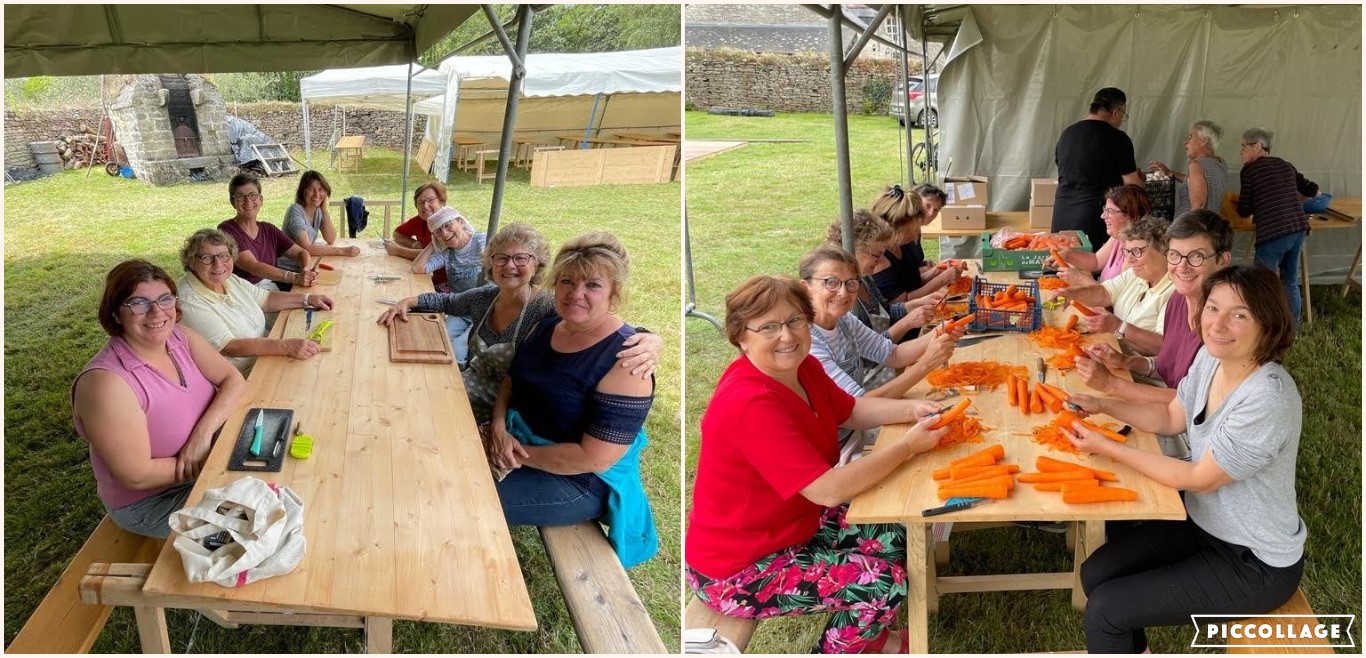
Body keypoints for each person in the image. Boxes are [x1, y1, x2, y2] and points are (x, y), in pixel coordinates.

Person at [687, 274, 953, 654]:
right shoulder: (750, 404)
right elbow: (829, 490)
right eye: (769, 327)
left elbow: (854, 410)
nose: (787, 335)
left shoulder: (804, 368)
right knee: (883, 583)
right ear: (740, 336)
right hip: (737, 567)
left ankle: (870, 634)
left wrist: (913, 409)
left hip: (791, 526)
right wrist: (908, 447)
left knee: (895, 533)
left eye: (795, 320)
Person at [1064, 264, 1304, 654]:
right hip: (1203, 524)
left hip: (1253, 561)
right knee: (1096, 574)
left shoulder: (1267, 399)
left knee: (1106, 611)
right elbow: (1172, 416)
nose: (1218, 324)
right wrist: (1099, 404)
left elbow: (1198, 478)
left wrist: (1107, 447)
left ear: (1269, 325)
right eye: (1213, 308)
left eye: (1239, 314)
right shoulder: (1212, 360)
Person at [485, 232, 658, 568]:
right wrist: (497, 428)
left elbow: (594, 458)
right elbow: (510, 382)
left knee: (465, 495)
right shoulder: (546, 326)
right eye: (566, 281)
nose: (575, 294)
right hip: (517, 441)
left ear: (614, 292)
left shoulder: (628, 362)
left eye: (592, 285)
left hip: (577, 482)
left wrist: (515, 454)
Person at [376, 222, 661, 424]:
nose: (509, 266)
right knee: (407, 397)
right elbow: (447, 302)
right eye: (501, 258)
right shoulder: (486, 297)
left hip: (511, 409)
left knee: (422, 415)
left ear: (537, 265)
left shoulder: (550, 305)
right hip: (468, 385)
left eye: (520, 258)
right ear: (490, 264)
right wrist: (409, 302)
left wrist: (648, 338)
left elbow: (599, 323)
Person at [72, 260, 247, 538]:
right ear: (116, 313)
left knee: (282, 482)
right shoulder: (106, 384)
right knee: (255, 528)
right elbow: (136, 475)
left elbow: (233, 380)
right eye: (138, 303)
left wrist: (202, 436)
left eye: (165, 298)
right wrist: (220, 460)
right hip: (154, 501)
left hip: (209, 462)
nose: (156, 311)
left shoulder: (179, 337)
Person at [1075, 210, 1234, 457]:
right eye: (1175, 255)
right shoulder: (1178, 302)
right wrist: (1126, 361)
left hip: (1196, 443)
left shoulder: (1222, 329)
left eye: (1196, 256)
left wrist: (1111, 385)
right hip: (1165, 417)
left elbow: (1187, 404)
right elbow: (1166, 366)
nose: (1181, 266)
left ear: (1223, 261)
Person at [800, 245, 959, 463]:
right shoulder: (807, 344)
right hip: (835, 450)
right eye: (831, 282)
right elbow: (859, 405)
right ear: (805, 287)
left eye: (851, 283)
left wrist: (941, 332)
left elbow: (892, 354)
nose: (843, 292)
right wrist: (926, 365)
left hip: (856, 432)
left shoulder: (845, 321)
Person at [177, 228, 336, 376]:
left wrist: (308, 299)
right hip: (244, 374)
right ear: (191, 262)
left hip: (266, 355)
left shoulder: (228, 279)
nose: (218, 264)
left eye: (224, 255)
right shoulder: (189, 300)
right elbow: (229, 347)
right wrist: (285, 346)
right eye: (206, 258)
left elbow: (266, 299)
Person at [1235, 128, 1319, 323]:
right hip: (1298, 228)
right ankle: (1292, 326)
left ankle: (1263, 325)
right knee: (1289, 279)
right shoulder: (1285, 164)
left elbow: (1244, 210)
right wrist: (1297, 200)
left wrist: (1243, 203)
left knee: (1261, 281)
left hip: (1273, 233)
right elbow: (1313, 190)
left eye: (1243, 146)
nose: (1241, 152)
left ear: (1257, 147)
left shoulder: (1249, 170)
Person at [1052, 87, 1144, 250]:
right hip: (1095, 217)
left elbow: (1065, 168)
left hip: (1061, 213)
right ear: (1116, 112)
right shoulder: (1118, 139)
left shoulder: (1068, 134)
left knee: (1061, 264)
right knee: (1092, 270)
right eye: (1123, 114)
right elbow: (1132, 186)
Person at [831, 211, 940, 344]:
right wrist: (908, 323)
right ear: (853, 250)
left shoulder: (864, 279)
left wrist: (918, 303)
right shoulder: (841, 298)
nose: (881, 260)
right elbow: (869, 352)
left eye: (883, 253)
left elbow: (886, 310)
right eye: (877, 254)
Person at [1064, 215, 1176, 340]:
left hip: (1135, 358)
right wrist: (1071, 294)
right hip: (1114, 348)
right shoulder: (1135, 274)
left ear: (1163, 250)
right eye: (1127, 252)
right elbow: (1104, 293)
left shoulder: (1175, 293)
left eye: (1137, 251)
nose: (1129, 259)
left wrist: (1118, 327)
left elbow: (1164, 346)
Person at [410, 207, 487, 364]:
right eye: (438, 231)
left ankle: (462, 381)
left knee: (458, 351)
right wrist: (433, 243)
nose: (444, 232)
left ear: (460, 222)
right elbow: (417, 268)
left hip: (485, 310)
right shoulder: (447, 253)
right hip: (460, 308)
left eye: (447, 225)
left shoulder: (481, 241)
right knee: (438, 340)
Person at [218, 173, 317, 291]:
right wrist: (296, 278)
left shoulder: (268, 229)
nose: (248, 201)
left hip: (269, 288)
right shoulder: (227, 230)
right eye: (240, 196)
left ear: (261, 200)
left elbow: (301, 253)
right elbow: (252, 266)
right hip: (243, 292)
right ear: (232, 202)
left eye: (253, 195)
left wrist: (305, 270)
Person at [868, 184, 962, 305]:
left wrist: (936, 271)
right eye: (911, 230)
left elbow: (911, 282)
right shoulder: (878, 259)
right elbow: (900, 302)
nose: (915, 237)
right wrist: (942, 279)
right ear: (896, 227)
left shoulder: (903, 242)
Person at [1050, 185, 1151, 285]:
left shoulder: (1135, 252)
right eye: (1105, 210)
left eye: (1110, 211)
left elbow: (1115, 296)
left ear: (1130, 216)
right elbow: (1096, 261)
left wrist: (1080, 279)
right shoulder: (1118, 237)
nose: (1103, 216)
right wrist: (1067, 255)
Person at [278, 170, 361, 271]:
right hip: (288, 271)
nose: (317, 194)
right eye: (311, 189)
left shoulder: (317, 210)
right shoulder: (295, 211)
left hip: (305, 267)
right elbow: (307, 248)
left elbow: (330, 238)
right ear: (302, 192)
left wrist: (324, 210)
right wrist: (342, 251)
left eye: (321, 189)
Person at [1148, 120, 1229, 217]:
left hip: (1191, 227)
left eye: (1190, 136)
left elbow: (1198, 205)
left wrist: (1189, 229)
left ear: (1204, 140)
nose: (1185, 141)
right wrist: (1169, 172)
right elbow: (1198, 180)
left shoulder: (1197, 165)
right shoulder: (1220, 163)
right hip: (1212, 224)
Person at [386, 181, 450, 291]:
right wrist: (413, 243)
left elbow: (432, 255)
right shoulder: (421, 220)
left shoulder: (448, 225)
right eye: (420, 202)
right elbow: (397, 233)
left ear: (441, 201)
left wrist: (397, 250)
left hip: (447, 284)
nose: (425, 206)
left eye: (430, 200)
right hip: (427, 276)